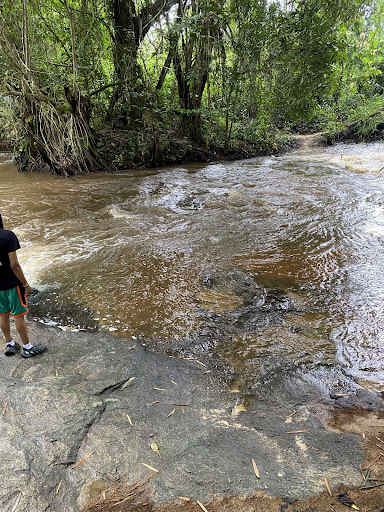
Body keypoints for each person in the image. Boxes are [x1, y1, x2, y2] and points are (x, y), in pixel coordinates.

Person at [0, 214, 46, 358]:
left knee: (3, 315)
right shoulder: (8, 236)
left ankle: (10, 343)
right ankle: (27, 347)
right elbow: (14, 264)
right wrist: (26, 284)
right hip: (12, 284)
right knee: (18, 315)